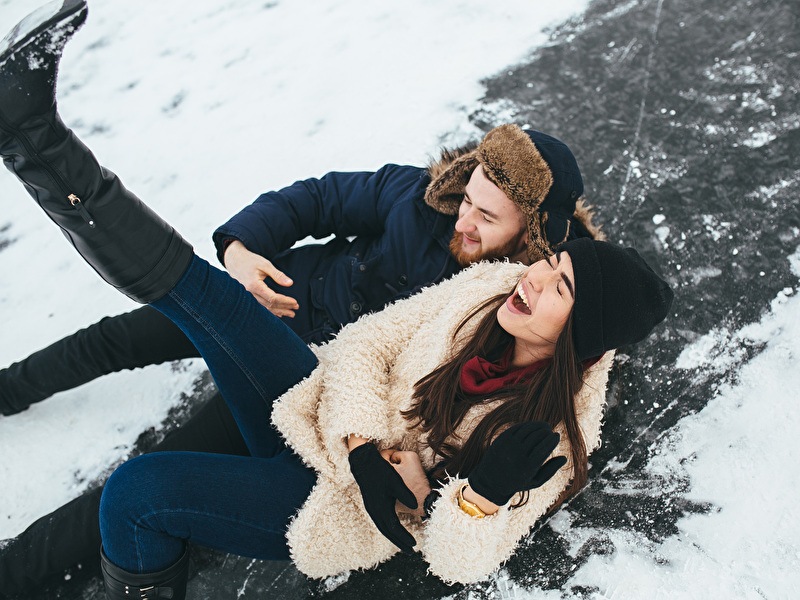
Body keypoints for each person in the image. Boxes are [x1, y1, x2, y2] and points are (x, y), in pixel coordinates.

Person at [0, 3, 673, 599]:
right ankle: (34, 138)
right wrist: (244, 250)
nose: (467, 220)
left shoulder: (546, 429)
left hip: (330, 482)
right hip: (309, 361)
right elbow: (356, 310)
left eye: (489, 218)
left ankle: (20, 571)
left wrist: (477, 501)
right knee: (180, 297)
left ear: (527, 234)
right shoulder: (467, 257)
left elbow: (454, 555)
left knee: (140, 485)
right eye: (468, 197)